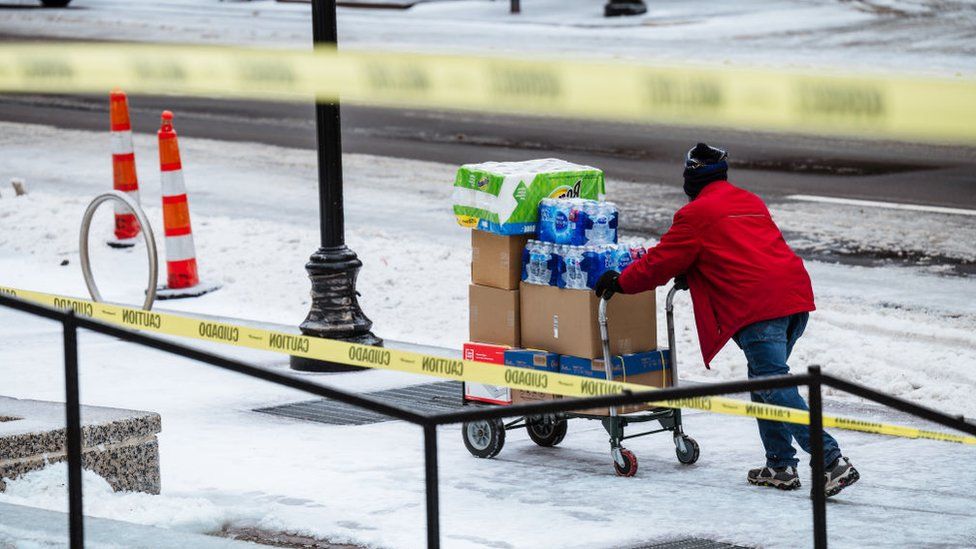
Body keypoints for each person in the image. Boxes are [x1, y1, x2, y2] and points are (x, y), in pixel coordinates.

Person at [593, 143, 860, 497]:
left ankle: (831, 462)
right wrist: (697, 271)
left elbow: (660, 263)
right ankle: (780, 466)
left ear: (691, 176)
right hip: (793, 299)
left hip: (759, 309)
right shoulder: (749, 200)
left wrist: (621, 281)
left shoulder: (694, 215)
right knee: (766, 381)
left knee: (774, 383)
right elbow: (737, 248)